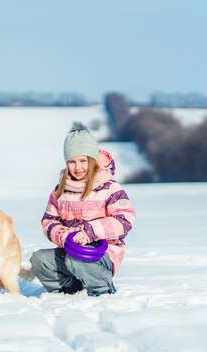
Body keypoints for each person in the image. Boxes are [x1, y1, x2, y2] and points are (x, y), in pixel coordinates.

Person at [30, 122, 136, 296]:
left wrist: (89, 232)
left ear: (92, 160)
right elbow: (49, 221)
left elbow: (125, 219)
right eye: (72, 162)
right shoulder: (59, 191)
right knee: (39, 259)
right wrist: (64, 236)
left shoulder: (110, 188)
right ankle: (69, 290)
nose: (78, 167)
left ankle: (102, 290)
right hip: (71, 250)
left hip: (104, 253)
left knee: (76, 260)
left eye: (83, 161)